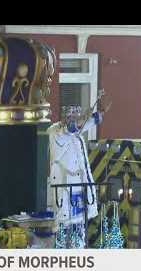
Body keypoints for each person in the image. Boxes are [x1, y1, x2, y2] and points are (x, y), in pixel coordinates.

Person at [47, 95, 111, 249]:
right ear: (65, 116)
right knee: (64, 226)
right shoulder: (56, 132)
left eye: (76, 116)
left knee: (79, 225)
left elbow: (86, 124)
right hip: (65, 188)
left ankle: (79, 254)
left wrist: (99, 113)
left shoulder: (76, 135)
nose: (74, 119)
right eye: (71, 116)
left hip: (79, 188)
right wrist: (86, 116)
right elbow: (73, 127)